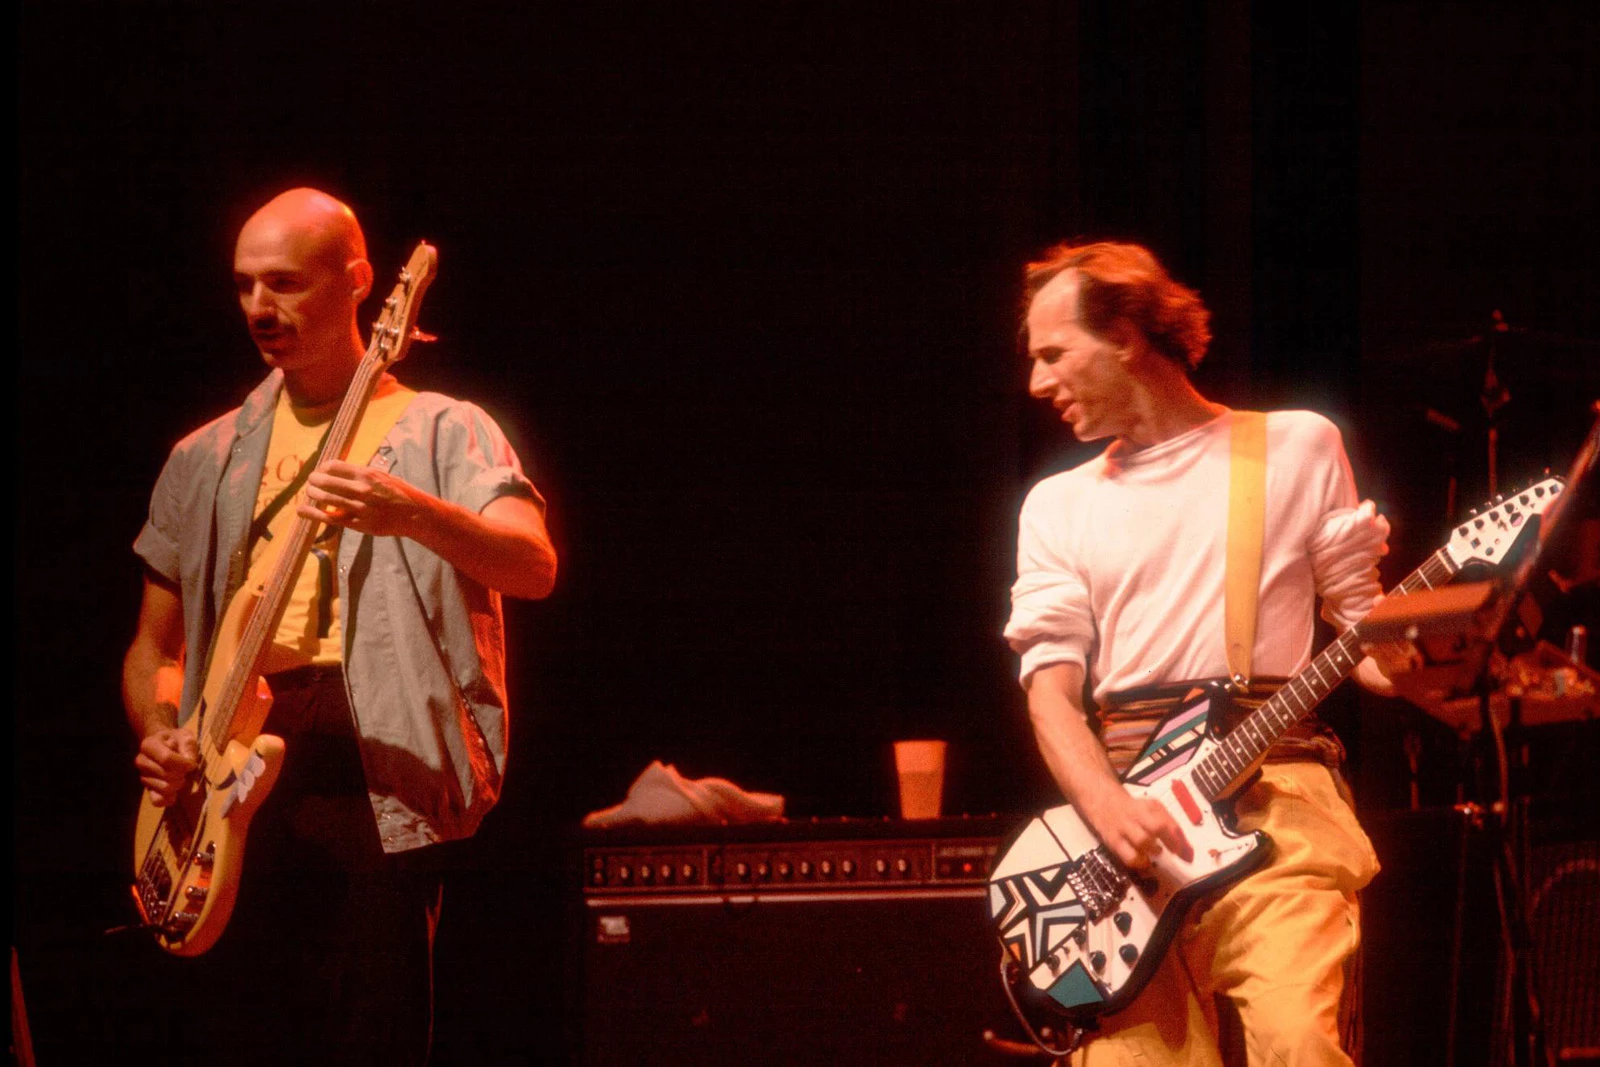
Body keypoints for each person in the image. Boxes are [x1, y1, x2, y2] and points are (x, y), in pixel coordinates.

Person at [122, 187, 557, 1063]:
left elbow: (533, 564)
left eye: (283, 283)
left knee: (373, 1026)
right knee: (243, 1023)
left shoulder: (445, 430)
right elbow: (155, 649)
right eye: (243, 284)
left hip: (375, 750)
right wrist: (162, 728)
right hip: (231, 753)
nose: (257, 307)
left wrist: (415, 512)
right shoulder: (204, 454)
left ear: (358, 282)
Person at [1003, 241, 1399, 1065]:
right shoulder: (1056, 504)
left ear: (1123, 333)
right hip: (1127, 845)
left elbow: (1368, 645)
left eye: (1052, 353)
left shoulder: (1295, 446)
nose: (1038, 382)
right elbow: (1049, 694)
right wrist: (1110, 810)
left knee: (1299, 1041)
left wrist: (1429, 649)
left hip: (1278, 804)